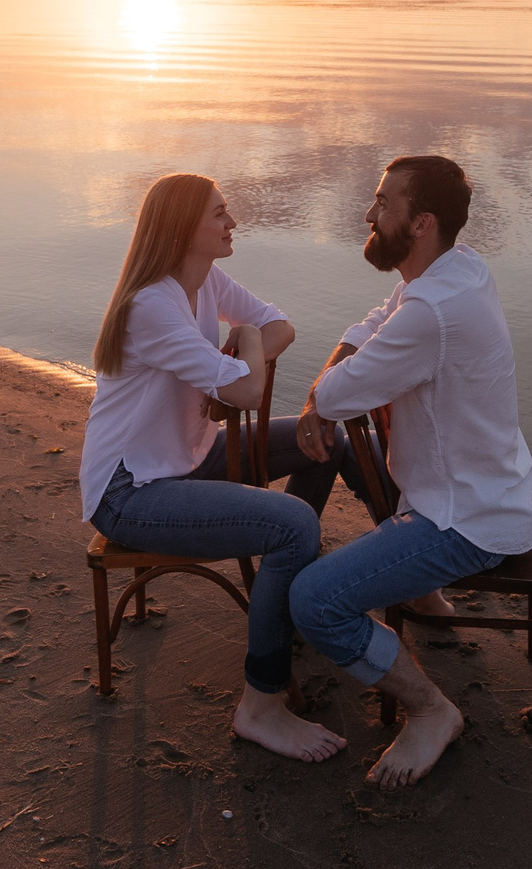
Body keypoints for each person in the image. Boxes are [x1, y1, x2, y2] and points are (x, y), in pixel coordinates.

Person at [290, 155, 532, 788]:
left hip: (463, 521)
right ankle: (424, 595)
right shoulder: (458, 270)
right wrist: (332, 379)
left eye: (382, 205)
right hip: (485, 490)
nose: (369, 215)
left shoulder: (433, 312)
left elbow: (342, 394)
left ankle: (431, 711)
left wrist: (319, 398)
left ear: (421, 222)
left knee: (314, 602)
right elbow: (380, 317)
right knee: (362, 457)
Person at [81, 173, 344, 762]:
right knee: (292, 524)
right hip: (132, 491)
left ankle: (299, 594)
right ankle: (262, 706)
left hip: (191, 457)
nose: (233, 223)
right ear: (183, 229)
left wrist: (245, 348)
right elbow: (249, 386)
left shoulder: (203, 280)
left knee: (328, 440)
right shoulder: (152, 304)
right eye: (220, 214)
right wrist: (245, 343)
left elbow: (283, 326)